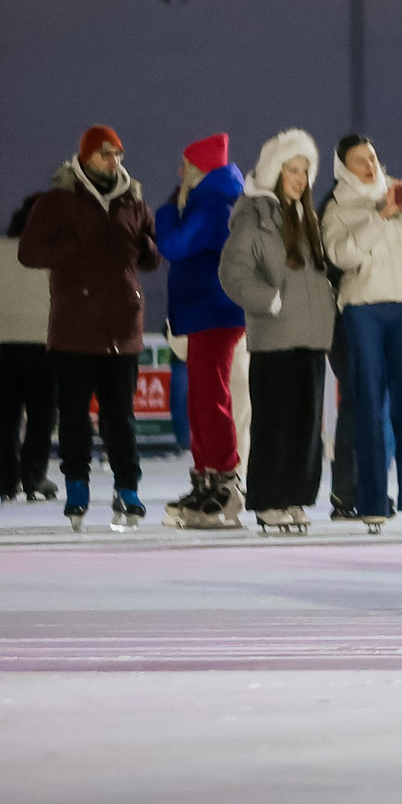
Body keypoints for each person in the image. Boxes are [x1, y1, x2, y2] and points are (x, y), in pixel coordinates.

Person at [19, 124, 161, 529]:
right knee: (75, 414)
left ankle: (127, 488)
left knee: (121, 416)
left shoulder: (132, 198)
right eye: (104, 154)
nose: (113, 161)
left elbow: (152, 252)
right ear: (84, 157)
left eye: (117, 153)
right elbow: (28, 252)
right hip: (75, 327)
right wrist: (70, 249)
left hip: (122, 325)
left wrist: (145, 247)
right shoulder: (59, 201)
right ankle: (77, 485)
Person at [323, 134, 402, 533]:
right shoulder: (337, 207)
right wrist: (380, 215)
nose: (370, 165)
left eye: (373, 157)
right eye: (360, 160)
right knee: (370, 403)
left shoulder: (398, 194)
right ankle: (373, 500)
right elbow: (341, 255)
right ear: (343, 166)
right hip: (363, 313)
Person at [217, 130, 337, 532]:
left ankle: (297, 496)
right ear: (274, 170)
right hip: (275, 338)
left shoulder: (307, 218)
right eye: (292, 169)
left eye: (305, 171)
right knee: (275, 423)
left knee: (307, 425)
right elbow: (233, 273)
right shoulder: (255, 217)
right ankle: (270, 500)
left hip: (310, 337)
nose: (300, 178)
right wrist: (272, 301)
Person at [155, 133, 247, 529]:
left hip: (215, 312)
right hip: (205, 313)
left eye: (185, 166)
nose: (179, 172)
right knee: (201, 399)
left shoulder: (211, 205)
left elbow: (173, 245)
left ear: (198, 170)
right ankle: (206, 479)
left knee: (211, 398)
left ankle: (224, 481)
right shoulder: (212, 201)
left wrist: (165, 212)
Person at [0, 195, 56, 503]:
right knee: (41, 417)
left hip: (4, 345)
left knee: (6, 416)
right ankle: (34, 477)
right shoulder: (53, 253)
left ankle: (7, 481)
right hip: (44, 344)